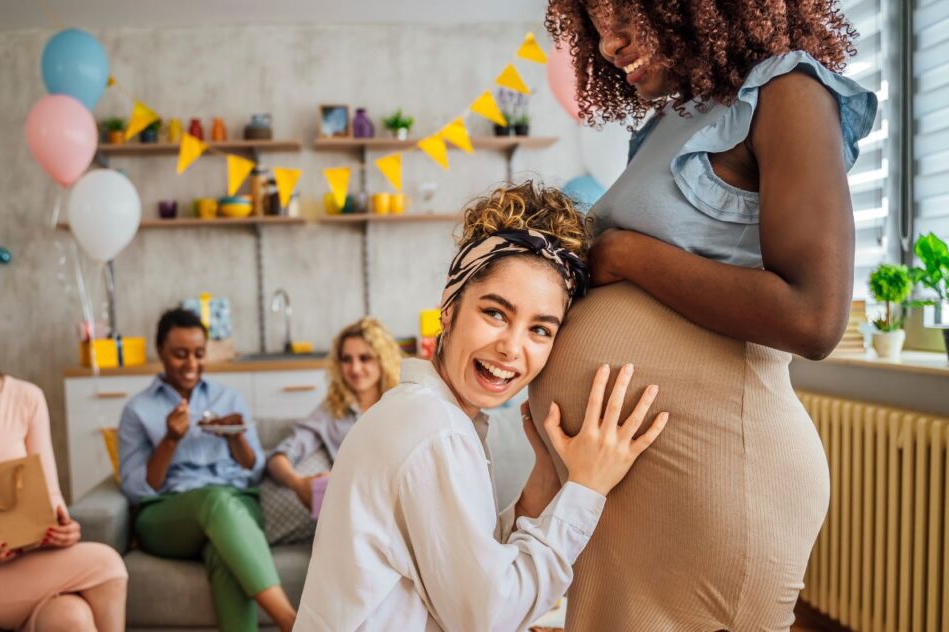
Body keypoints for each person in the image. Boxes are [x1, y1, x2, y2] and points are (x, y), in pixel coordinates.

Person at [529, 2, 878, 629]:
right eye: (593, 23)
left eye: (622, 13)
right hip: (635, 480)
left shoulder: (787, 91)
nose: (609, 43)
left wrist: (629, 254)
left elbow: (816, 317)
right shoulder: (675, 118)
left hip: (720, 476)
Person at [295, 182, 669, 630]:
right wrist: (586, 489)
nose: (511, 348)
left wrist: (542, 485)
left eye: (540, 330)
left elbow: (465, 571)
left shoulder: (426, 414)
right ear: (449, 310)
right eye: (495, 313)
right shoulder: (432, 431)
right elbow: (488, 616)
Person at [0, 275, 127, 631]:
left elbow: (48, 496)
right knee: (105, 564)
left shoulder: (26, 398)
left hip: (19, 557)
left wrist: (61, 530)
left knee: (71, 618)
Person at [116, 308, 296, 632]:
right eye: (180, 355)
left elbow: (254, 470)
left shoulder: (229, 398)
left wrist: (236, 436)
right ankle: (291, 621)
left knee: (223, 552)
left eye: (199, 354)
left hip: (238, 505)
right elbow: (137, 488)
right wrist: (170, 440)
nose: (191, 365)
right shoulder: (138, 409)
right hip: (167, 516)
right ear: (160, 352)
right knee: (214, 500)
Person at [266, 317, 401, 508]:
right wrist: (298, 484)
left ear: (382, 360)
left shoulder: (402, 401)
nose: (355, 369)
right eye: (347, 359)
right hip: (356, 505)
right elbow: (280, 456)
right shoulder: (330, 412)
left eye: (365, 358)